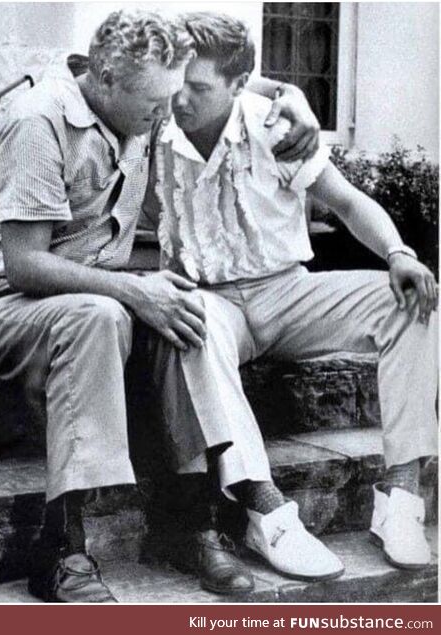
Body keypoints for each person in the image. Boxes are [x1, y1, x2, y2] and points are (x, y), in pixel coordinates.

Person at [0, 10, 321, 601]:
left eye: (174, 96)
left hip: (88, 301)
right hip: (5, 304)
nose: (168, 114)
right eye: (156, 102)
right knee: (103, 314)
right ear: (103, 79)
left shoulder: (137, 103)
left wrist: (291, 95)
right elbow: (24, 264)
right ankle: (63, 549)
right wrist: (133, 289)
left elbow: (224, 76)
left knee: (183, 309)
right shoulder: (38, 121)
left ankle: (189, 527)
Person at [137, 12, 438, 591]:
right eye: (178, 85)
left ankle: (401, 499)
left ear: (237, 82)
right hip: (213, 300)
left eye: (199, 89)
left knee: (412, 303)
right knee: (190, 321)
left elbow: (348, 205)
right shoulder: (157, 124)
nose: (182, 100)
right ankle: (267, 512)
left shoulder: (276, 127)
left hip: (287, 292)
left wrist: (399, 253)